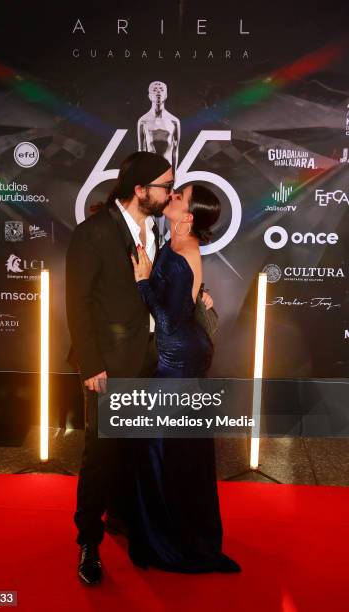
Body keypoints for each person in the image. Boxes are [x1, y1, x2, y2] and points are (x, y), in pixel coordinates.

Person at [66, 151, 175, 585]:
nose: (170, 192)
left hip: (147, 359)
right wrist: (92, 364)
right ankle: (88, 541)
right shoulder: (93, 233)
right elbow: (77, 303)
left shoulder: (153, 229)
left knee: (133, 448)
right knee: (101, 455)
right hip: (108, 366)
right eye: (165, 186)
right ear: (140, 189)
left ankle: (123, 518)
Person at [129, 183, 241, 573]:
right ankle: (167, 528)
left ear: (189, 216)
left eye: (178, 196)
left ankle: (170, 539)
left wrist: (142, 282)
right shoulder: (174, 244)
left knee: (160, 449)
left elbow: (169, 321)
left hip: (178, 360)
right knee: (164, 449)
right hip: (176, 354)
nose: (170, 196)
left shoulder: (186, 251)